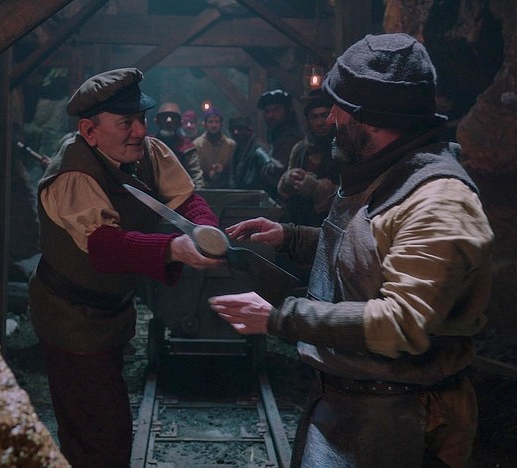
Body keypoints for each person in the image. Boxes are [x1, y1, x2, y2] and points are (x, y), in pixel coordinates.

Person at [209, 33, 494, 467]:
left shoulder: (438, 202)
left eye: (340, 107)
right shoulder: (383, 173)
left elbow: (401, 324)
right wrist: (290, 236)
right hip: (352, 401)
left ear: (374, 119)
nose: (331, 117)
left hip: (401, 418)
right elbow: (368, 250)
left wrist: (279, 317)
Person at [28, 67, 224, 468]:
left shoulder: (148, 151)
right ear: (89, 131)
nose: (140, 130)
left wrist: (205, 230)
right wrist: (174, 248)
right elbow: (104, 247)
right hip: (71, 316)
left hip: (110, 313)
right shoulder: (73, 174)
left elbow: (186, 199)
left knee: (103, 423)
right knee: (99, 435)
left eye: (141, 118)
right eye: (126, 122)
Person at [277, 88, 340, 226]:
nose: (320, 123)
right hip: (299, 223)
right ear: (308, 121)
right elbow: (283, 193)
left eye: (324, 115)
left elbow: (349, 197)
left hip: (330, 225)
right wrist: (288, 179)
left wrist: (316, 188)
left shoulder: (344, 149)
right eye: (314, 117)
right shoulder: (300, 149)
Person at [228, 115, 283, 199]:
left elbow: (271, 169)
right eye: (232, 129)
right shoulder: (238, 147)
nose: (235, 132)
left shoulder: (259, 148)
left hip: (257, 196)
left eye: (240, 129)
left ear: (249, 130)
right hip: (245, 196)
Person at [153, 101, 205, 188]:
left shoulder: (187, 148)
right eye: (165, 116)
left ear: (179, 122)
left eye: (173, 117)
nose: (169, 120)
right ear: (158, 121)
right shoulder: (149, 145)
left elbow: (196, 176)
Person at [257, 88, 302, 171]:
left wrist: (264, 157)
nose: (270, 115)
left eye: (276, 110)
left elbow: (278, 171)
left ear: (288, 111)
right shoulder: (278, 134)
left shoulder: (291, 138)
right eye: (267, 111)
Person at [193, 107, 236, 188]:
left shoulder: (230, 144)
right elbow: (195, 170)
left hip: (225, 187)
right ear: (205, 124)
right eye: (210, 122)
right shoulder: (197, 144)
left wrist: (223, 169)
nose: (214, 125)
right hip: (204, 186)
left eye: (217, 122)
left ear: (221, 124)